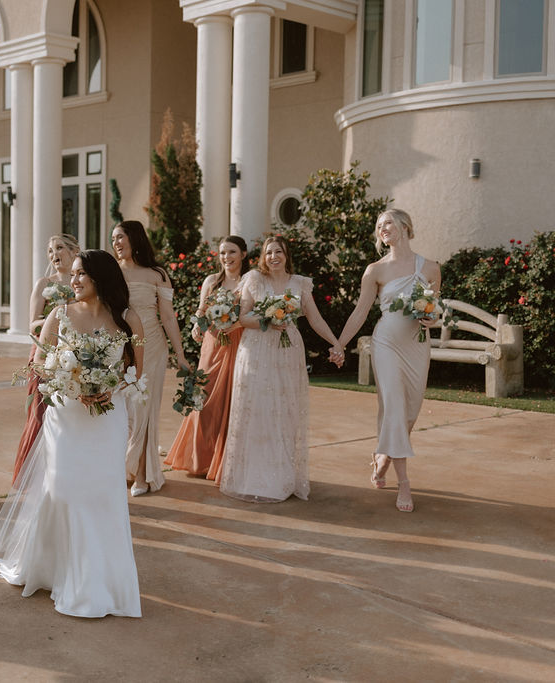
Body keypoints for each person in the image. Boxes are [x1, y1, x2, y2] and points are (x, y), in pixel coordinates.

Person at [0, 249, 145, 618]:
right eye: (72, 274)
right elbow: (38, 364)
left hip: (106, 419)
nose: (73, 281)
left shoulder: (129, 319)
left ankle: (95, 583)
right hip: (66, 418)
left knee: (102, 496)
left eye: (81, 274)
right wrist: (72, 382)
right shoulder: (60, 314)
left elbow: (134, 370)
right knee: (64, 490)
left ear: (101, 277)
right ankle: (51, 568)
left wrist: (108, 386)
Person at [331, 209, 441, 512]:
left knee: (409, 412)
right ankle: (403, 483)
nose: (382, 228)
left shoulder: (430, 267)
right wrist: (340, 343)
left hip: (417, 345)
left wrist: (433, 318)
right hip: (386, 343)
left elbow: (434, 307)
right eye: (379, 225)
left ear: (405, 226)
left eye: (388, 222)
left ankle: (382, 459)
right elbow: (360, 312)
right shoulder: (375, 270)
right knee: (393, 406)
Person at [220, 235, 342, 503]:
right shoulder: (254, 279)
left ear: (287, 255)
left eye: (279, 252)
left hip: (287, 353)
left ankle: (282, 475)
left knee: (284, 411)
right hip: (256, 352)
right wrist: (266, 318)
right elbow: (242, 317)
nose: (273, 257)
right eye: (268, 252)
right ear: (263, 257)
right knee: (259, 410)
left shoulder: (299, 284)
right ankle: (254, 476)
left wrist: (336, 342)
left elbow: (315, 318)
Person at [111, 220, 190, 496]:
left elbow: (168, 316)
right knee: (124, 411)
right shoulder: (111, 273)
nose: (116, 243)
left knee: (144, 410)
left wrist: (180, 354)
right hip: (120, 347)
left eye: (120, 237)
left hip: (154, 346)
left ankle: (142, 474)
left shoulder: (157, 274)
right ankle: (121, 470)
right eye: (113, 239)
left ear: (134, 239)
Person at [164, 236, 249, 482]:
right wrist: (196, 326)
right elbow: (201, 310)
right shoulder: (212, 281)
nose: (226, 258)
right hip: (212, 345)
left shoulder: (248, 282)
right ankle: (200, 460)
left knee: (232, 400)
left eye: (231, 252)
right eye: (222, 253)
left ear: (243, 254)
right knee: (204, 401)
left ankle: (225, 463)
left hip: (237, 343)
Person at [12, 233, 80, 481]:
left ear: (75, 251)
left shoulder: (81, 283)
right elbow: (32, 325)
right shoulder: (43, 284)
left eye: (60, 248)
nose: (54, 255)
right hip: (45, 353)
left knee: (69, 414)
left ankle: (64, 474)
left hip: (74, 356)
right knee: (40, 411)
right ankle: (34, 476)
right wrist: (58, 320)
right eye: (50, 251)